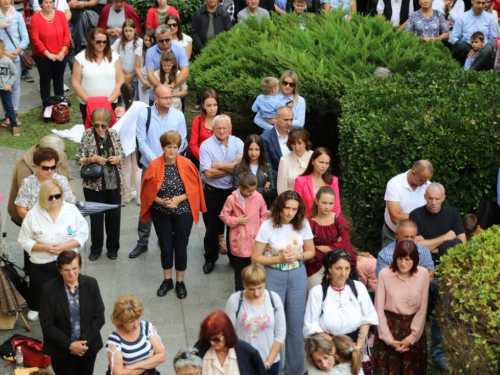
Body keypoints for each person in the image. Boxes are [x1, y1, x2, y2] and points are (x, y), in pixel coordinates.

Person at [252, 190, 316, 375]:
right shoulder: (267, 226)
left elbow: (311, 251)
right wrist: (278, 259)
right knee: (274, 324)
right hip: (274, 276)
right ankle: (273, 368)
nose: (290, 212)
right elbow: (255, 257)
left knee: (296, 325)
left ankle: (295, 370)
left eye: (294, 209)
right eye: (287, 208)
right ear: (279, 207)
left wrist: (299, 255)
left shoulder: (302, 224)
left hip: (297, 275)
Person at [140, 131, 206, 299]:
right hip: (161, 211)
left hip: (183, 210)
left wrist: (178, 199)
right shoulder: (154, 165)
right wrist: (161, 201)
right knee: (166, 245)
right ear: (162, 147)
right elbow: (147, 191)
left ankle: (180, 282)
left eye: (175, 147)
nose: (171, 150)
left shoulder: (187, 164)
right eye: (168, 147)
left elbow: (194, 188)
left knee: (181, 246)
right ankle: (167, 280)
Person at [409, 182, 466, 372]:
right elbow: (415, 247)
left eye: (437, 198)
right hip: (421, 271)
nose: (433, 202)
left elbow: (462, 243)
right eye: (430, 198)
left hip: (446, 271)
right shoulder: (416, 215)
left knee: (443, 316)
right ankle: (410, 354)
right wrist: (446, 238)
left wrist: (430, 245)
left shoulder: (452, 213)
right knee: (414, 314)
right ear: (425, 197)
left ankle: (437, 355)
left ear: (444, 198)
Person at [129, 84, 187, 259]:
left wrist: (169, 160)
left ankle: (167, 240)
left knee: (169, 201)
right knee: (147, 202)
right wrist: (157, 161)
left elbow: (182, 141)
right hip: (151, 165)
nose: (169, 100)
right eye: (165, 98)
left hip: (173, 166)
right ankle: (142, 243)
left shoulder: (178, 115)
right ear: (155, 97)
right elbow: (141, 140)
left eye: (170, 97)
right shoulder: (144, 115)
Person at [18, 179, 88, 322]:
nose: (54, 200)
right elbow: (24, 240)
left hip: (67, 261)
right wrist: (44, 247)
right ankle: (39, 309)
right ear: (43, 197)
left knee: (69, 292)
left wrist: (65, 246)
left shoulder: (71, 210)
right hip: (42, 262)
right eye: (50, 197)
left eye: (58, 196)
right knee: (43, 294)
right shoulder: (33, 214)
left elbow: (82, 234)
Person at [39, 251, 105, 375]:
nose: (72, 273)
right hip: (61, 350)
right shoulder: (49, 289)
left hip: (87, 348)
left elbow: (99, 317)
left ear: (80, 267)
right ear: (60, 270)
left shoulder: (91, 283)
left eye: (75, 268)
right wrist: (70, 345)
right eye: (67, 270)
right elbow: (47, 324)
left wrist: (81, 344)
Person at [75, 108, 125, 261]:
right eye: (96, 125)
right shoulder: (87, 135)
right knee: (96, 219)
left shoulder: (114, 134)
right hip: (94, 185)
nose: (99, 129)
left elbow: (122, 154)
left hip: (114, 183)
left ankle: (112, 249)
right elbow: (78, 159)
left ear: (108, 124)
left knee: (114, 218)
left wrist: (117, 159)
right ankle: (95, 249)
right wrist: (92, 159)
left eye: (103, 126)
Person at [373, 240, 429, 375]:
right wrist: (388, 338)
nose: (404, 263)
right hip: (389, 327)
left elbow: (422, 308)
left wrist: (412, 338)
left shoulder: (423, 275)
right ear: (395, 258)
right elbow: (378, 308)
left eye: (408, 259)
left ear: (414, 260)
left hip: (413, 329)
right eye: (400, 258)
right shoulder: (384, 275)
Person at [303, 250, 378, 349]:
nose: (343, 273)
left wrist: (359, 346)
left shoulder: (358, 287)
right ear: (329, 269)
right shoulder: (317, 292)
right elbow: (312, 326)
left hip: (356, 343)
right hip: (328, 346)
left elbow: (368, 317)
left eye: (347, 268)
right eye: (338, 268)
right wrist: (341, 346)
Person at [200, 115, 244, 274]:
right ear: (213, 128)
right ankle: (210, 259)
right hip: (213, 192)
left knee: (234, 227)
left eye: (225, 128)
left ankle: (234, 259)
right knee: (212, 228)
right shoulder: (205, 146)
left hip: (233, 192)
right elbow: (208, 174)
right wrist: (232, 166)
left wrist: (218, 165)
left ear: (230, 127)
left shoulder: (239, 143)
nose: (222, 131)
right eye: (218, 128)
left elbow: (241, 169)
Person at [224, 264, 286, 375]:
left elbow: (280, 333)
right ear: (244, 284)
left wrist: (268, 363)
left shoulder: (274, 299)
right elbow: (228, 333)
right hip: (243, 362)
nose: (256, 293)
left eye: (260, 288)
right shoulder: (235, 300)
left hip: (270, 361)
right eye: (251, 289)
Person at [8, 135, 75, 227]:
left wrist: (72, 194)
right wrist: (41, 220)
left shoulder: (62, 179)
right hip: (35, 225)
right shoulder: (26, 171)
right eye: (45, 168)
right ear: (36, 166)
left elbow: (69, 178)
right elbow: (22, 208)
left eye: (53, 167)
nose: (50, 171)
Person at [220, 173, 268, 291]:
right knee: (240, 271)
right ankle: (240, 293)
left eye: (254, 191)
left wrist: (260, 229)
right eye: (249, 191)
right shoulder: (231, 199)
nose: (252, 194)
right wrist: (237, 220)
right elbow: (223, 215)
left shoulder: (258, 197)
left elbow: (264, 214)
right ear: (240, 188)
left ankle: (253, 290)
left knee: (255, 269)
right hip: (239, 242)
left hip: (255, 240)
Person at [72, 28, 125, 123]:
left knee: (108, 130)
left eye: (105, 42)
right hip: (87, 103)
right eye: (98, 41)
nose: (102, 44)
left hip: (110, 102)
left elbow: (120, 81)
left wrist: (110, 100)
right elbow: (76, 82)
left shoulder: (114, 57)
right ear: (91, 41)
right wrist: (88, 101)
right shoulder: (80, 58)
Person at [305, 186, 353, 290]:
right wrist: (335, 246)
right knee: (316, 296)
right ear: (317, 201)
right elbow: (306, 247)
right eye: (324, 203)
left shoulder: (338, 219)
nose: (327, 207)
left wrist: (318, 247)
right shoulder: (309, 222)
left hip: (337, 265)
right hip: (314, 266)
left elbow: (345, 244)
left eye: (331, 203)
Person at [107, 295, 166, 375]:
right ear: (121, 320)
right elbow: (118, 373)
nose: (136, 325)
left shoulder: (146, 327)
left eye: (137, 319)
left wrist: (134, 366)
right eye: (131, 321)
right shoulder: (114, 341)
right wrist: (150, 363)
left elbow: (161, 356)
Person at [195, 310, 267, 375]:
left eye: (216, 339)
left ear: (227, 334)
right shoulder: (199, 350)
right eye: (208, 338)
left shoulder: (249, 352)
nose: (212, 343)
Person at [382, 160, 433, 248]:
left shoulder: (428, 186)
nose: (425, 183)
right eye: (422, 179)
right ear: (413, 173)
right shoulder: (395, 184)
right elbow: (395, 218)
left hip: (417, 236)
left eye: (427, 180)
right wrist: (422, 214)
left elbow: (432, 213)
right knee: (388, 260)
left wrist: (403, 215)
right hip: (393, 234)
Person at [30, 0, 70, 106]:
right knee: (45, 80)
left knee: (59, 79)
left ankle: (60, 104)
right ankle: (47, 105)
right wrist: (48, 54)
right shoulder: (36, 18)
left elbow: (67, 34)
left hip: (61, 54)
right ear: (41, 4)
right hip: (43, 56)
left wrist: (62, 52)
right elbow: (35, 38)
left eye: (50, 2)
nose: (48, 4)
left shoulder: (61, 15)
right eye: (46, 2)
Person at [113, 82, 147, 206]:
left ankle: (127, 195)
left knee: (125, 169)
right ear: (135, 93)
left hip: (124, 143)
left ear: (121, 95)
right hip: (137, 141)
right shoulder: (141, 106)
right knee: (138, 169)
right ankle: (139, 196)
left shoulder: (120, 111)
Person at [0, 0, 28, 128]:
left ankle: (13, 114)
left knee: (15, 85)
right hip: (1, 57)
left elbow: (25, 38)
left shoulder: (17, 15)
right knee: (3, 86)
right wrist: (5, 53)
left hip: (15, 57)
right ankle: (7, 114)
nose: (6, 1)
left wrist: (16, 52)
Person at [146, 25, 189, 105]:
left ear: (171, 36)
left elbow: (185, 72)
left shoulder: (180, 50)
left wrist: (172, 86)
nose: (164, 43)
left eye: (167, 40)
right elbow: (150, 75)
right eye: (161, 41)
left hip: (175, 99)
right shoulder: (150, 52)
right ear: (156, 39)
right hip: (156, 97)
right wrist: (163, 88)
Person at [449, 0, 498, 69]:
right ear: (472, 1)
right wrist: (467, 49)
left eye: (483, 3)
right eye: (478, 3)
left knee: (488, 48)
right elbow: (453, 38)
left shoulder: (490, 18)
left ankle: (470, 73)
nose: (481, 6)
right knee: (460, 45)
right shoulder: (462, 17)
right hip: (466, 50)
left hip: (484, 51)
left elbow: (494, 38)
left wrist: (484, 49)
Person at [232, 134, 277, 209]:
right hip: (243, 207)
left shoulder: (267, 167)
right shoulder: (238, 167)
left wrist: (247, 189)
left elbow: (272, 191)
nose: (253, 153)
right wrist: (263, 189)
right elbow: (236, 190)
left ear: (261, 150)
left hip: (262, 207)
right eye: (250, 149)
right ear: (246, 150)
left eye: (256, 149)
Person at [294, 147, 341, 217]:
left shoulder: (333, 180)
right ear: (313, 161)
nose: (324, 166)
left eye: (327, 163)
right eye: (321, 162)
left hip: (328, 223)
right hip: (307, 222)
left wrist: (330, 223)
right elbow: (296, 206)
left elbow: (336, 208)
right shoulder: (300, 181)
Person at [188, 89, 225, 166]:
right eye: (209, 105)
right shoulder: (197, 120)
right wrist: (205, 159)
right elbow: (193, 145)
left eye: (215, 105)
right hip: (201, 160)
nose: (212, 109)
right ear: (203, 106)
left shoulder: (225, 119)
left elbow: (228, 142)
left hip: (221, 160)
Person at [111, 19, 143, 99]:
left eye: (130, 30)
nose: (128, 33)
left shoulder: (140, 42)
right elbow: (113, 57)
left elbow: (142, 62)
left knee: (135, 99)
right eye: (126, 31)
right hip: (123, 77)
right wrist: (122, 74)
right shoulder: (118, 42)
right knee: (126, 99)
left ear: (135, 30)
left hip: (136, 77)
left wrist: (132, 75)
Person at [276, 127, 313, 195]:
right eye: (293, 144)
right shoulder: (284, 160)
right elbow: (281, 188)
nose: (296, 147)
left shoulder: (313, 156)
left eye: (299, 143)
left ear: (306, 143)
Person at [261, 106, 293, 175]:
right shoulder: (265, 138)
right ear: (276, 119)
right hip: (277, 181)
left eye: (291, 120)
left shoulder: (295, 135)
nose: (289, 123)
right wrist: (284, 178)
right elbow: (267, 166)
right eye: (286, 120)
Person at [0, 39, 18, 135]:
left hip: (5, 88)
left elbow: (14, 74)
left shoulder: (8, 61)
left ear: (3, 50)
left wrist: (8, 84)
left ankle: (14, 126)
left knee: (9, 107)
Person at [135, 27, 155, 104]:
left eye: (149, 40)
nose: (147, 42)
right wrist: (143, 82)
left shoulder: (156, 49)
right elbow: (137, 67)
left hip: (154, 78)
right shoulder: (140, 49)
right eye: (145, 40)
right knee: (144, 102)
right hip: (143, 77)